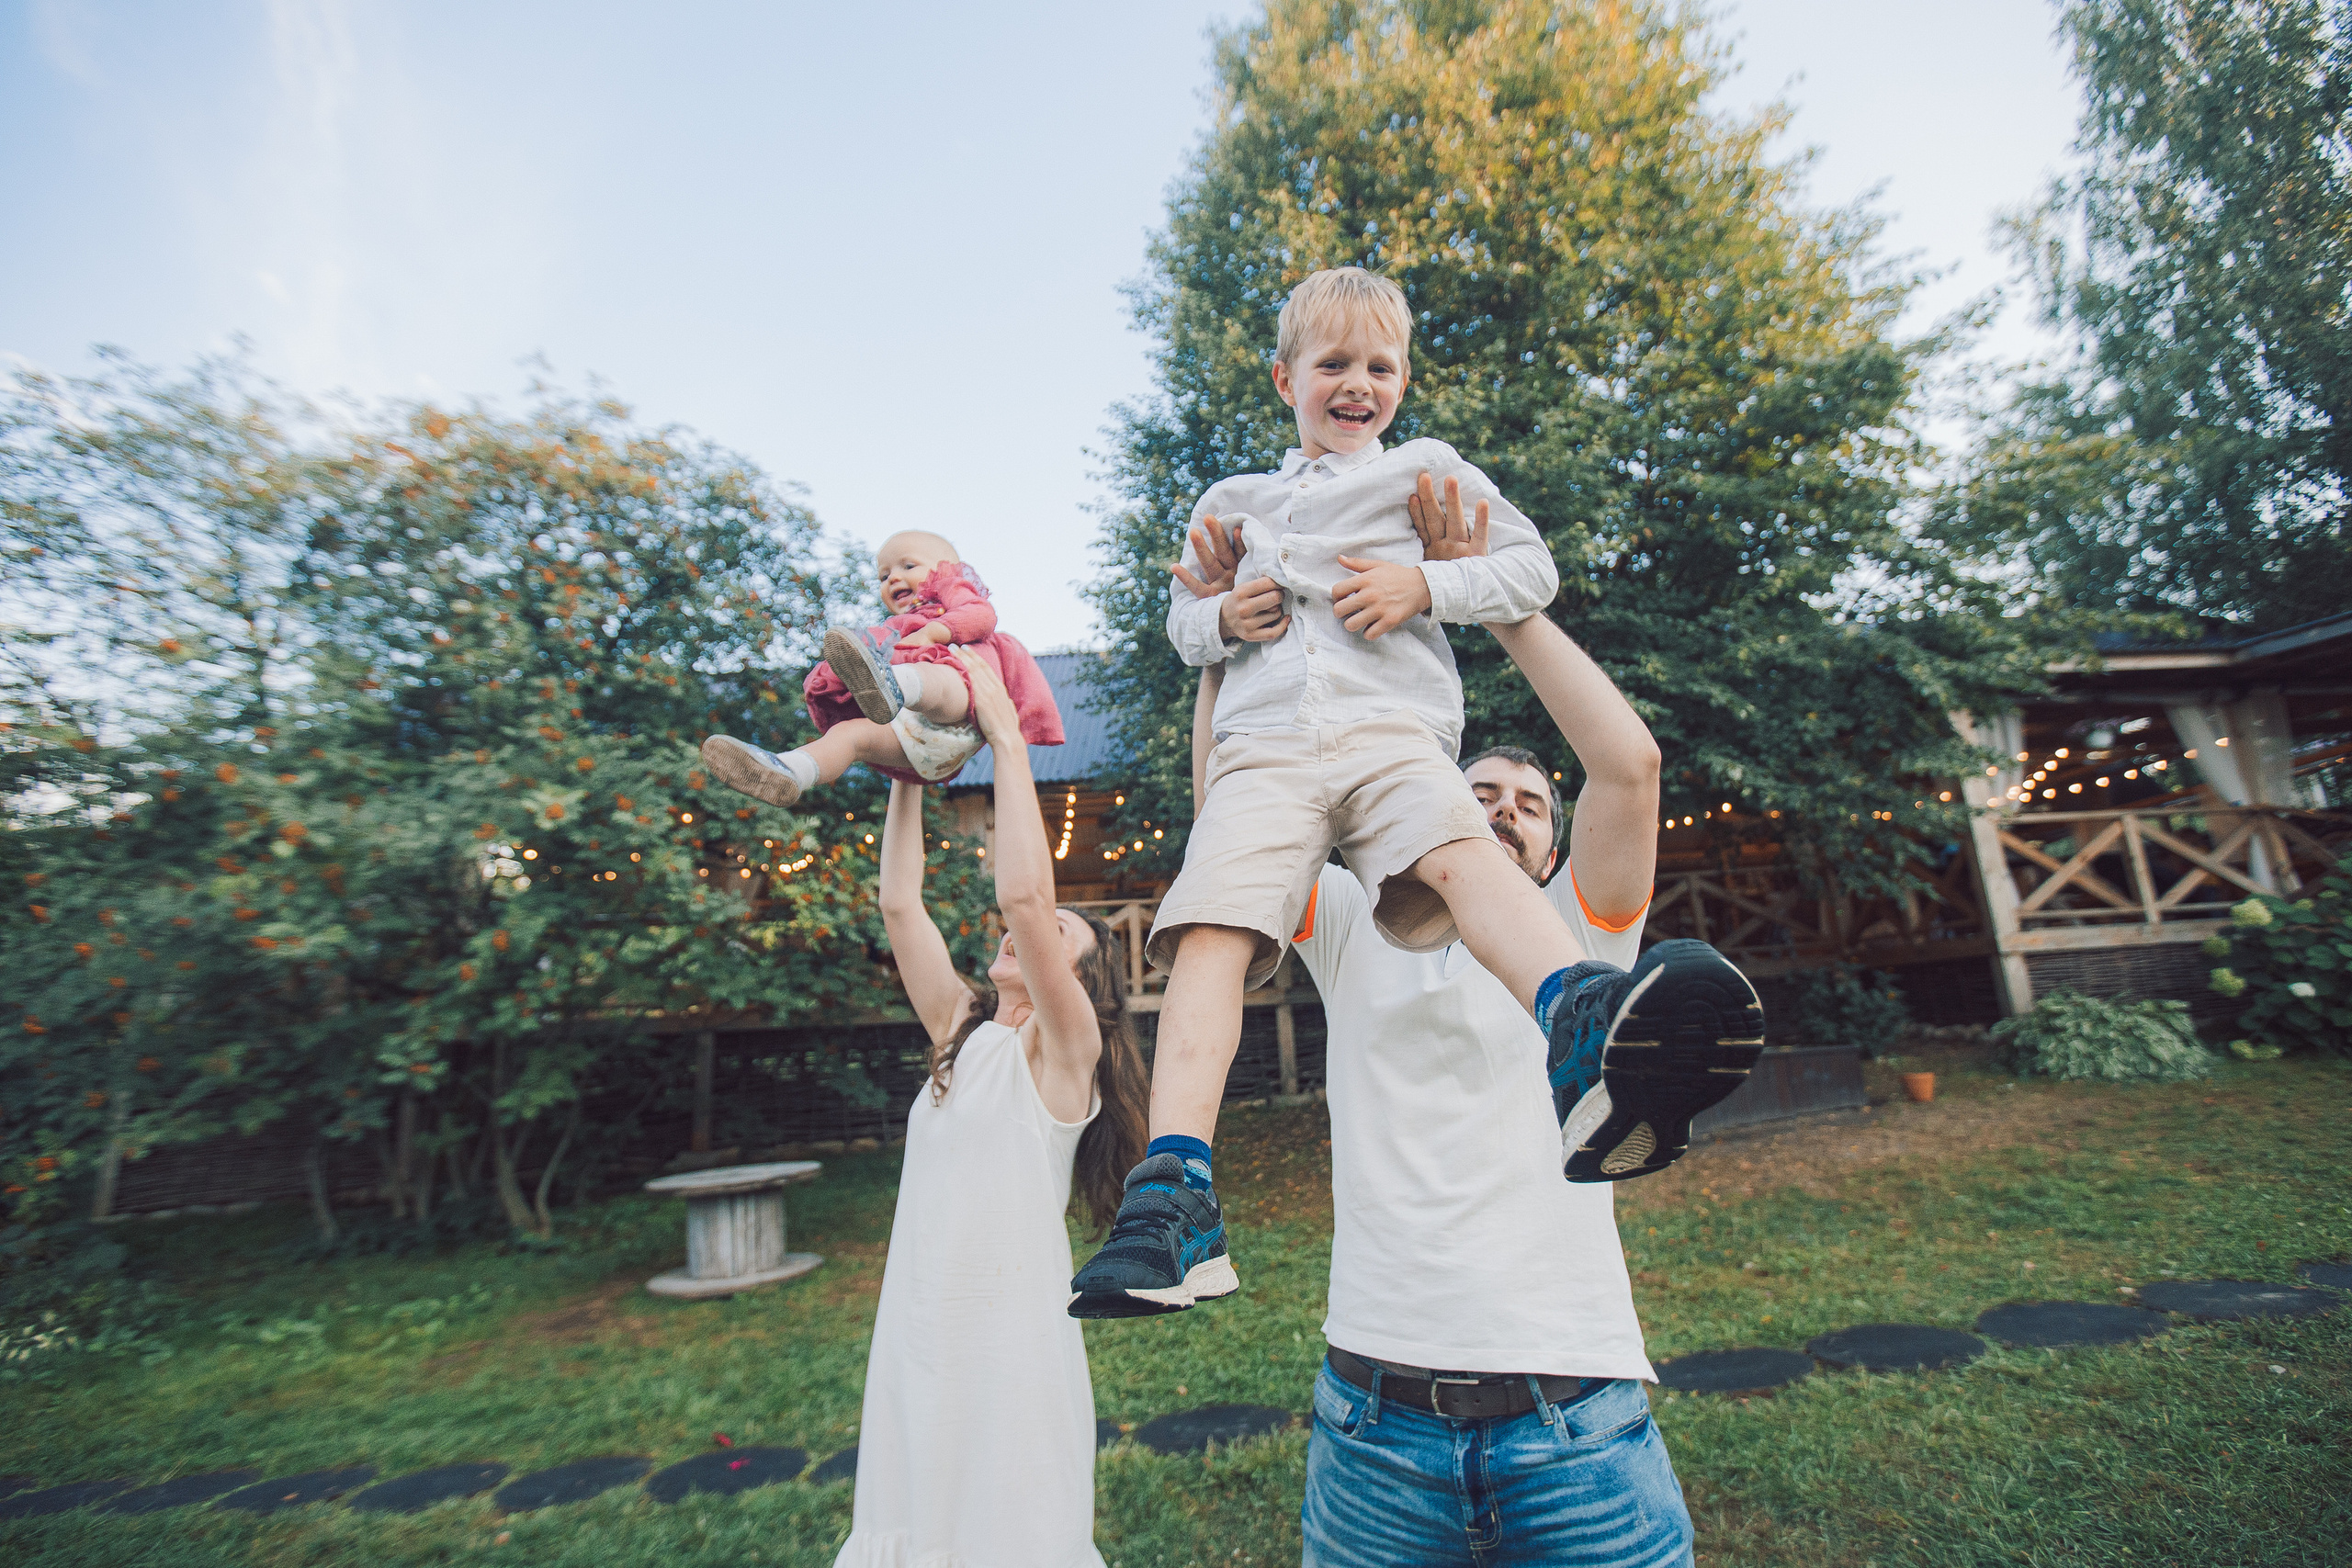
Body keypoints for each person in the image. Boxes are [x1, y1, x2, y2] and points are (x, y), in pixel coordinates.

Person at [1069, 267, 1762, 1321]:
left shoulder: (1424, 472)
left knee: (1462, 851)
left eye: (1380, 367)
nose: (1358, 383)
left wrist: (1426, 585)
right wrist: (1223, 622)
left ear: (1403, 381)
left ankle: (1578, 1021)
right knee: (1210, 923)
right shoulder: (1231, 504)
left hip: (1393, 731)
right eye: (1333, 365)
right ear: (1284, 379)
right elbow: (1180, 626)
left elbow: (1530, 572)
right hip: (1262, 750)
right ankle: (1174, 1189)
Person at [1216, 538, 1709, 1564]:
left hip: (1573, 1415)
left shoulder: (1582, 930)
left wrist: (1483, 588)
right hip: (1372, 1424)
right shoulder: (1351, 919)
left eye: (1530, 808)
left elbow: (1631, 763)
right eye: (1479, 795)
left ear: (1552, 843)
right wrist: (1223, 641)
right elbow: (1231, 818)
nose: (1505, 814)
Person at [833, 648, 1144, 1568]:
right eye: (1028, 930)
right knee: (917, 1516)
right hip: (920, 1322)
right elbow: (900, 905)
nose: (1024, 928)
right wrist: (907, 775)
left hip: (1009, 1340)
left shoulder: (1069, 1057)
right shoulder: (959, 1036)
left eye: (1056, 936)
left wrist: (1007, 735)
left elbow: (1021, 888)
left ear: (1076, 978)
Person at [703, 529, 1064, 807]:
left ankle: (892, 684)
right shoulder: (895, 631)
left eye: (908, 566)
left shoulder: (951, 597)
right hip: (917, 747)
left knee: (940, 674)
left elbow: (982, 615)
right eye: (883, 575)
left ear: (946, 572)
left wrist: (934, 633)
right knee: (849, 737)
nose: (892, 578)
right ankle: (790, 770)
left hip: (960, 717)